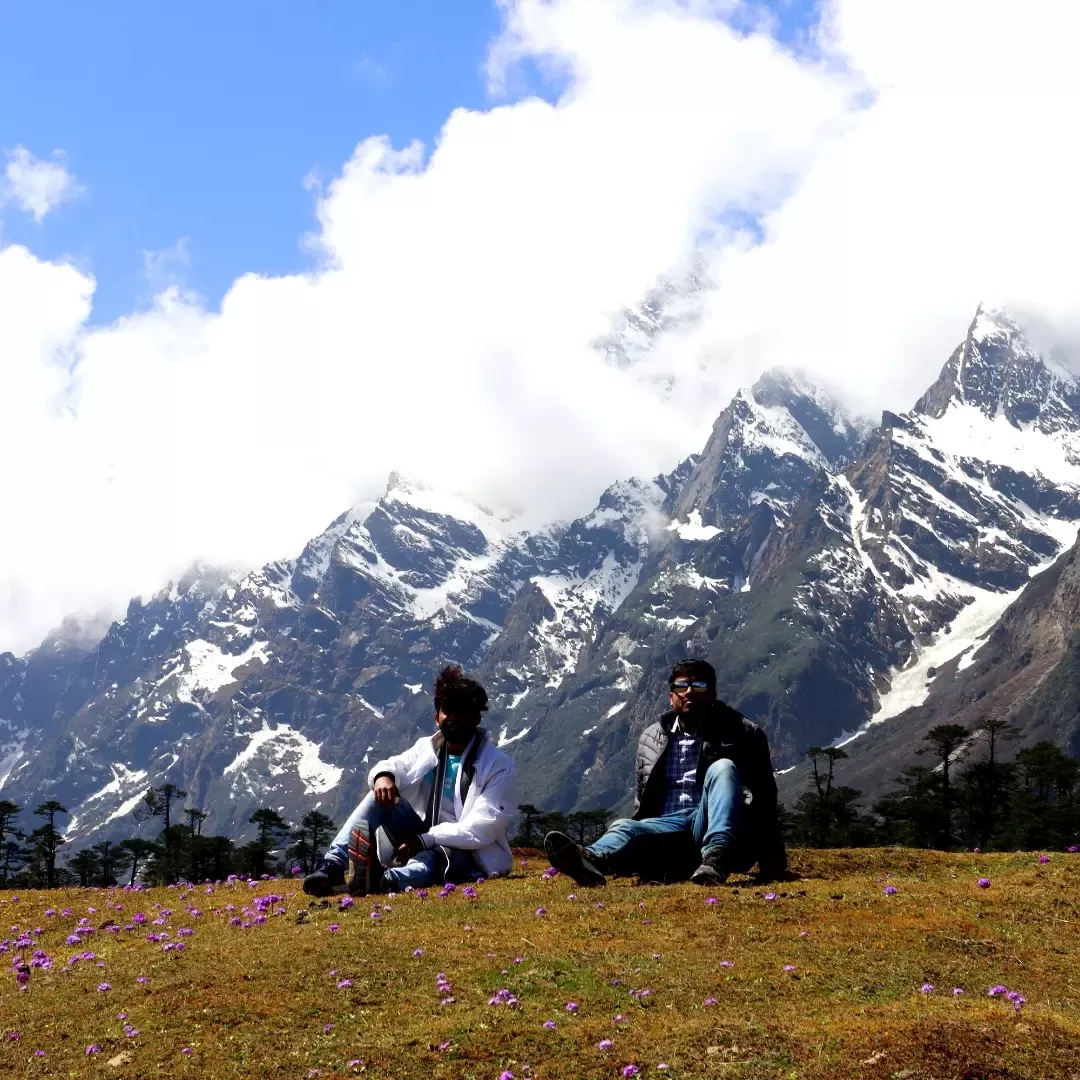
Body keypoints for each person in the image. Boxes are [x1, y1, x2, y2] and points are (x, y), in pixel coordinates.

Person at [544, 658, 788, 887]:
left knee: (723, 768)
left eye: (699, 685)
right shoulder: (652, 737)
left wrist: (773, 863)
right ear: (671, 696)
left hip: (709, 820)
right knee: (623, 825)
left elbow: (765, 799)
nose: (689, 691)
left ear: (712, 694)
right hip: (666, 827)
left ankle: (717, 857)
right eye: (682, 685)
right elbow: (643, 798)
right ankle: (589, 860)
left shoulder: (742, 732)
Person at [303, 664, 517, 896]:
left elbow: (481, 829)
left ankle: (382, 880)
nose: (455, 717)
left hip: (467, 848)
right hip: (421, 831)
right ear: (437, 717)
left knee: (435, 860)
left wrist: (425, 840)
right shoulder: (429, 747)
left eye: (463, 711)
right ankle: (333, 866)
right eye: (449, 710)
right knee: (378, 796)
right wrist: (383, 777)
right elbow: (395, 765)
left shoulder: (497, 764)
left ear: (476, 717)